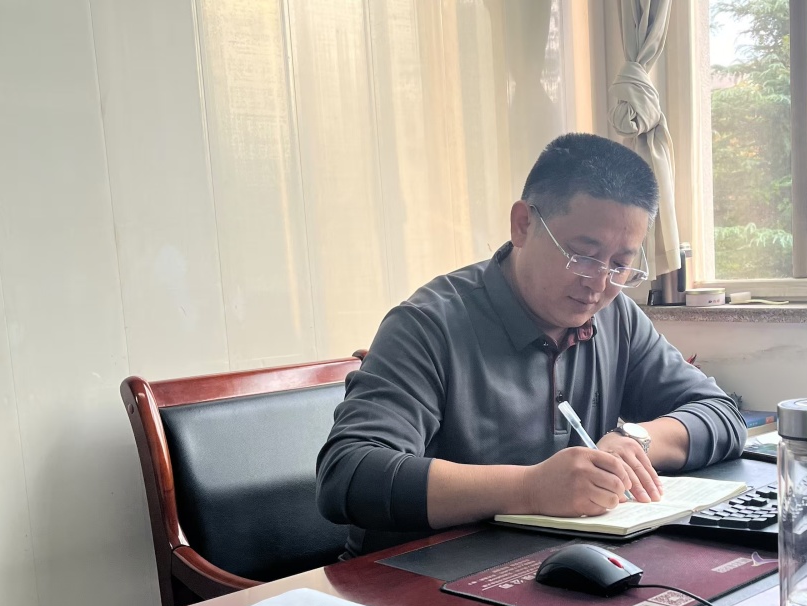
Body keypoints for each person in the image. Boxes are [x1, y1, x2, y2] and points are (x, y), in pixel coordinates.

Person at [317, 133, 746, 557]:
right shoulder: (428, 325)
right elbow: (348, 475)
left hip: (555, 564)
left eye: (620, 265)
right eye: (583, 255)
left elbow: (721, 413)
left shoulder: (616, 317)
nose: (598, 284)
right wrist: (531, 488)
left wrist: (634, 440)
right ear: (523, 225)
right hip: (415, 578)